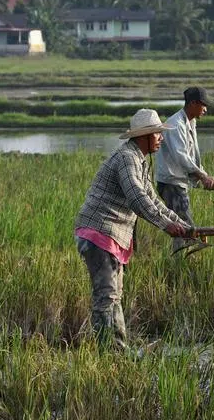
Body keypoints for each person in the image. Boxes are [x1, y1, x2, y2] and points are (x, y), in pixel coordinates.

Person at [74, 109, 192, 350]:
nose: (161, 138)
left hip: (111, 236)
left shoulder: (139, 161)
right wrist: (166, 225)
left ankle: (118, 350)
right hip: (99, 232)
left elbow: (153, 199)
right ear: (144, 136)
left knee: (115, 296)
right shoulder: (127, 158)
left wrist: (184, 225)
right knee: (106, 297)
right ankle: (111, 355)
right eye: (157, 134)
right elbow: (138, 198)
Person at [157, 86, 214, 252]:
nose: (205, 109)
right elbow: (181, 156)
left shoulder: (190, 122)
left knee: (181, 227)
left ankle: (178, 258)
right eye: (203, 105)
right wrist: (203, 176)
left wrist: (202, 175)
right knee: (186, 228)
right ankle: (180, 260)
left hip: (179, 182)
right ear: (192, 103)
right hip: (171, 184)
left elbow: (193, 154)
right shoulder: (175, 124)